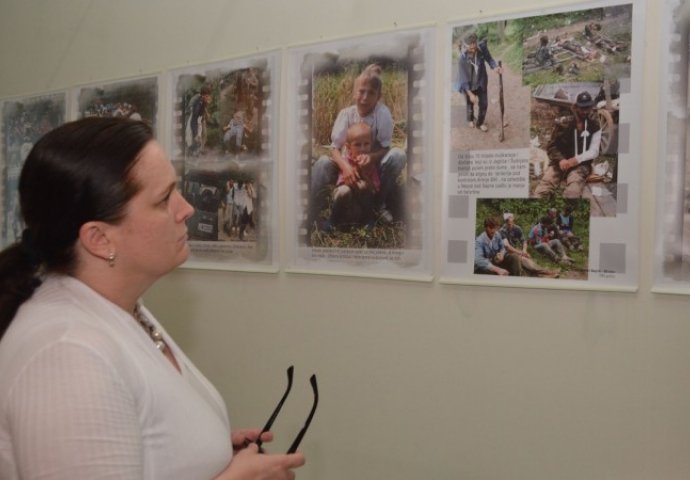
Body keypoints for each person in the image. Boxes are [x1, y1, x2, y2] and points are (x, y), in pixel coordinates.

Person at [0, 117, 305, 479]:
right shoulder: (66, 354)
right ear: (99, 239)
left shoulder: (120, 309)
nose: (186, 209)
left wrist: (208, 453)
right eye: (163, 200)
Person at [308, 64, 407, 233]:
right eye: (361, 91)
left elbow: (385, 147)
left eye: (371, 93)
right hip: (346, 166)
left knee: (398, 155)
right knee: (323, 162)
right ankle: (312, 209)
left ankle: (378, 204)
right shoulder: (346, 114)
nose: (365, 97)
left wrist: (372, 158)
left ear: (378, 96)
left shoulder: (382, 114)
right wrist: (345, 167)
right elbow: (334, 149)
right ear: (354, 92)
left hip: (372, 169)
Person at [533, 91, 602, 198]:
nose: (585, 112)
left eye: (587, 108)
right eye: (582, 108)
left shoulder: (594, 125)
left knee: (572, 192)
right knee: (542, 189)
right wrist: (561, 160)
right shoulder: (564, 123)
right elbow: (552, 146)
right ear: (576, 107)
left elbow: (594, 151)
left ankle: (564, 213)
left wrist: (576, 160)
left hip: (580, 165)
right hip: (560, 163)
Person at [330, 122, 378, 228]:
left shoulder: (370, 163)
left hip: (360, 207)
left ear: (371, 144)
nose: (362, 148)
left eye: (366, 144)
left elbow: (374, 189)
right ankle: (332, 220)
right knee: (344, 191)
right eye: (357, 144)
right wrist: (353, 174)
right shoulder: (346, 162)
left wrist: (364, 175)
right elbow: (341, 184)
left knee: (363, 186)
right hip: (346, 203)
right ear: (348, 146)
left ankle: (368, 219)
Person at [458, 32, 503, 132]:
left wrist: (495, 67)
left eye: (474, 47)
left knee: (484, 104)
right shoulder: (462, 58)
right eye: (470, 48)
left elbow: (489, 59)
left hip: (481, 81)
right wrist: (470, 94)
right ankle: (470, 118)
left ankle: (480, 123)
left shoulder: (482, 48)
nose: (473, 50)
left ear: (476, 43)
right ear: (465, 47)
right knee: (470, 103)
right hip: (468, 84)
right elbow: (463, 79)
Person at [499, 213, 560, 278]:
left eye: (511, 221)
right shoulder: (502, 231)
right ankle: (547, 272)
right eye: (508, 222)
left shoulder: (517, 228)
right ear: (505, 221)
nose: (510, 223)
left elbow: (524, 241)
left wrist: (524, 250)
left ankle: (546, 274)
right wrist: (521, 253)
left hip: (515, 250)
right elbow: (507, 247)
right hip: (506, 253)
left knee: (528, 259)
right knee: (525, 260)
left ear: (513, 220)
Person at [186, 84, 212, 156]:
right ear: (202, 95)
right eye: (207, 96)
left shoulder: (203, 100)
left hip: (200, 118)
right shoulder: (196, 104)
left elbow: (203, 107)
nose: (208, 97)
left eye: (208, 95)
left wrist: (206, 113)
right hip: (195, 119)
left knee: (202, 135)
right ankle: (193, 152)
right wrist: (195, 133)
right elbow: (193, 120)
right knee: (194, 137)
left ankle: (198, 150)